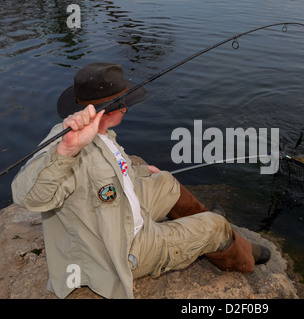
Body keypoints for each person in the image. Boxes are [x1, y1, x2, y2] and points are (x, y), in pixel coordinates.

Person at [11, 62, 270, 299]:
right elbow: (29, 197)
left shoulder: (101, 134)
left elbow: (111, 173)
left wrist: (141, 171)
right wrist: (66, 151)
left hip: (119, 216)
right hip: (123, 249)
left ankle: (203, 228)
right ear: (118, 107)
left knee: (166, 181)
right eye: (125, 102)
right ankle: (241, 255)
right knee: (215, 225)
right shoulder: (66, 143)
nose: (127, 107)